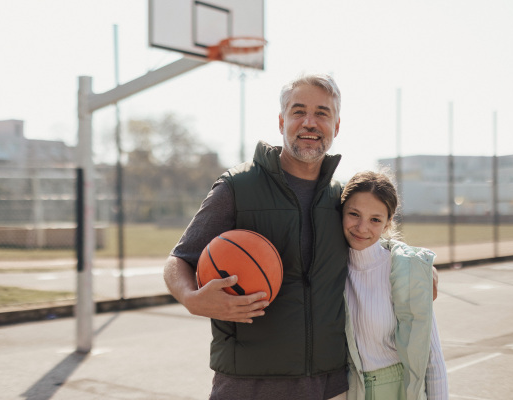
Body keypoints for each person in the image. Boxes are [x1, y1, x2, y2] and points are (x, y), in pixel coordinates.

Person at [164, 73, 350, 399]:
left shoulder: (343, 197)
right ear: (281, 121)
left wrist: (420, 270)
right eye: (298, 111)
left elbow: (378, 244)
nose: (309, 122)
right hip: (248, 383)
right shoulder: (238, 187)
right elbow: (179, 260)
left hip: (329, 382)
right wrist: (192, 299)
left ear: (336, 126)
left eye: (322, 113)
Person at [341, 171, 448, 400]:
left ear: (388, 223)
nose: (362, 227)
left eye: (375, 219)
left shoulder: (407, 270)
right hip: (348, 390)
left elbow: (432, 358)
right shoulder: (329, 268)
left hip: (398, 390)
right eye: (354, 214)